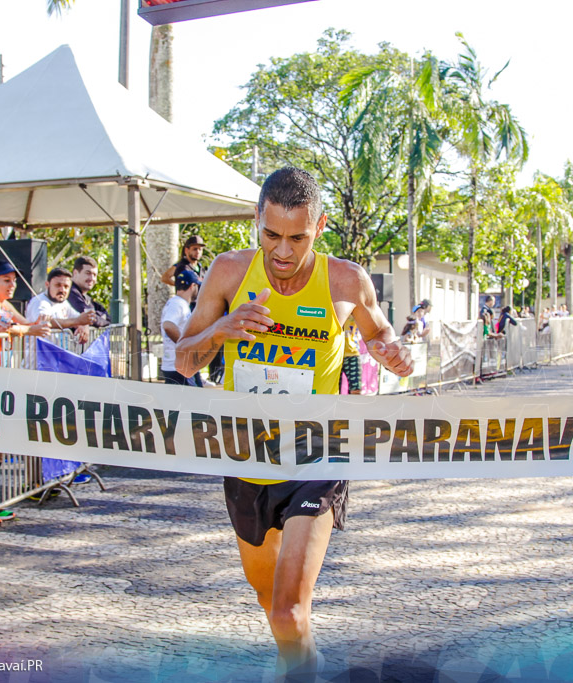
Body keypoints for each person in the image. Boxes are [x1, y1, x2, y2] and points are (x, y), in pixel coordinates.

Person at [174, 167, 412, 681]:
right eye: (272, 235)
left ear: (319, 226)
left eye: (298, 238)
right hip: (247, 457)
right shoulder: (230, 272)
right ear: (256, 220)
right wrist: (221, 328)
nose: (282, 252)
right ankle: (301, 659)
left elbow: (379, 333)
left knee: (288, 612)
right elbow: (185, 361)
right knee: (269, 603)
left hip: (316, 459)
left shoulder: (345, 279)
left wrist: (390, 351)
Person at [0, 261, 51, 338]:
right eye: (7, 280)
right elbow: (0, 328)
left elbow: (26, 324)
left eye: (14, 280)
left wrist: (38, 323)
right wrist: (30, 330)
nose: (13, 285)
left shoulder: (5, 304)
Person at [26, 267, 95, 344]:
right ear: (47, 285)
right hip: (40, 354)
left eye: (66, 286)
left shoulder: (63, 303)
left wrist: (84, 326)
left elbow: (78, 318)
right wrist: (77, 321)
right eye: (58, 285)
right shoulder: (40, 302)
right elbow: (45, 322)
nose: (62, 290)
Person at [159, 270, 201, 386]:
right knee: (194, 402)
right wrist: (185, 345)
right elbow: (168, 325)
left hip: (177, 366)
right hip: (179, 367)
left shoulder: (177, 303)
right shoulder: (178, 304)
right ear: (193, 286)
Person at [67, 255, 110, 328]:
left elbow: (108, 318)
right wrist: (100, 317)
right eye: (88, 273)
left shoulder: (87, 297)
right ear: (75, 273)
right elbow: (89, 319)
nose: (92, 278)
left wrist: (98, 316)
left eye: (94, 275)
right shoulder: (70, 292)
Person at [341, 316, 362, 395]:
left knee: (356, 389)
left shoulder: (355, 307)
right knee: (333, 390)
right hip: (335, 355)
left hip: (352, 353)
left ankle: (353, 407)